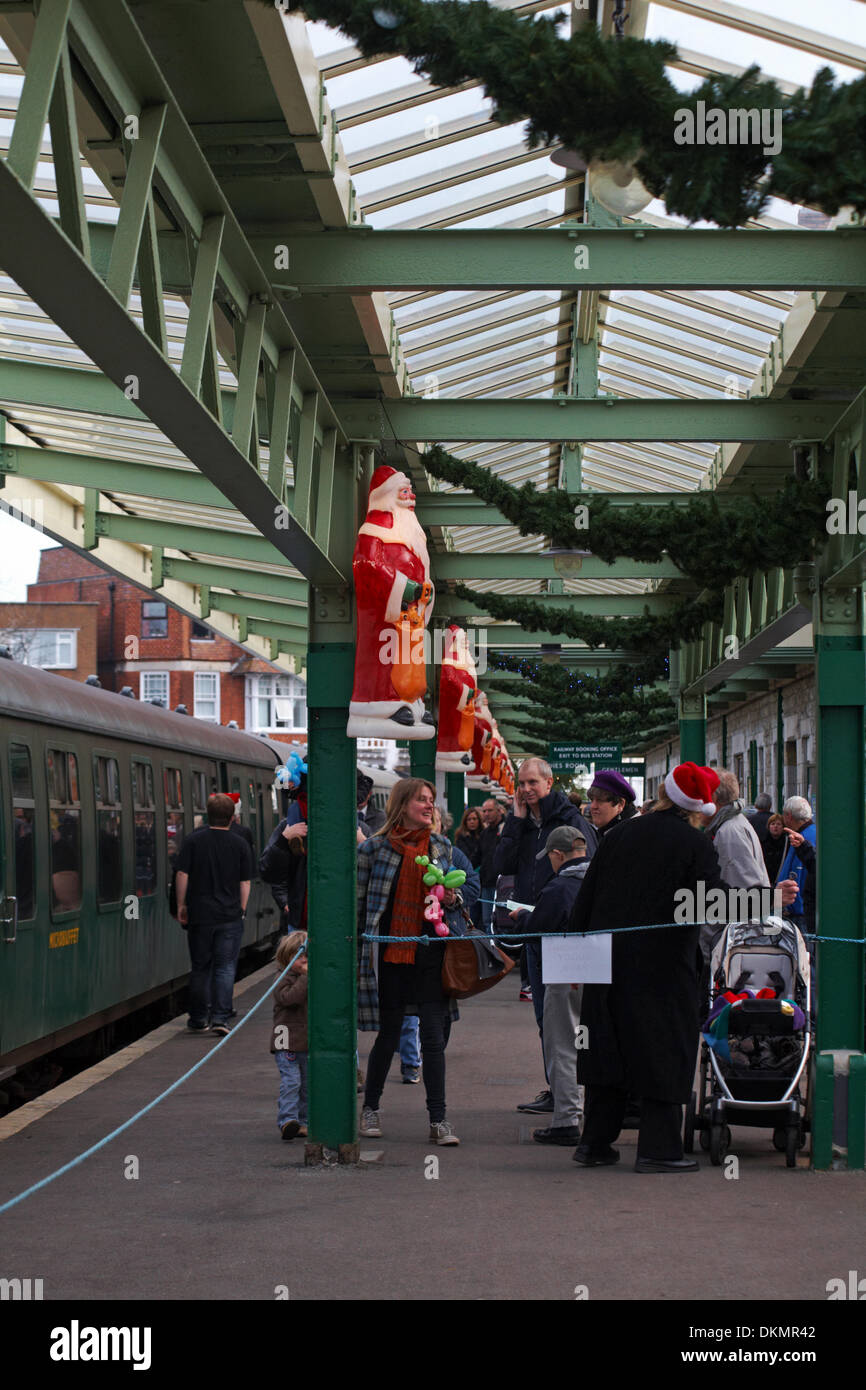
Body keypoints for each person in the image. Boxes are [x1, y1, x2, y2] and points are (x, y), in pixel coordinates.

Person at [570, 762, 726, 1172]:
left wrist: (573, 957)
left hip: (607, 964)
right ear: (698, 808)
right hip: (663, 970)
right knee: (662, 1052)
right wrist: (770, 901)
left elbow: (584, 902)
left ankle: (594, 1145)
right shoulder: (695, 844)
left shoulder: (618, 834)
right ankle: (658, 1149)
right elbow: (713, 904)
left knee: (607, 1051)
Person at [357, 779, 470, 1145]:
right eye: (421, 799)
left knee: (433, 1040)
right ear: (402, 804)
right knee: (388, 1035)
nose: (429, 805)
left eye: (431, 800)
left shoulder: (440, 845)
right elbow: (360, 909)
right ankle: (370, 1109)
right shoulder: (373, 849)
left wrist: (451, 899)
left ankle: (439, 1120)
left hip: (430, 953)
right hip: (390, 955)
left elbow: (449, 900)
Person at [493, 756, 597, 1115]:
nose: (525, 790)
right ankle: (559, 1089)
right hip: (534, 932)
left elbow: (585, 871)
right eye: (521, 784)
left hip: (563, 934)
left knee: (570, 1021)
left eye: (532, 783)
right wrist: (515, 821)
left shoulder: (570, 821)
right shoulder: (521, 822)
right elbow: (501, 865)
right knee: (545, 1017)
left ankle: (576, 1093)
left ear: (549, 783)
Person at [528, 827, 590, 1147]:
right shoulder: (604, 882)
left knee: (564, 1045)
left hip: (566, 973)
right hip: (602, 973)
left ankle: (566, 1119)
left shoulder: (558, 888)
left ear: (557, 855)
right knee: (593, 1046)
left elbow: (537, 930)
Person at [175, 791, 254, 1035]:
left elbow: (182, 875)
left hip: (200, 913)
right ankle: (221, 1017)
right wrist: (241, 909)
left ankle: (199, 1018)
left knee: (200, 966)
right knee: (225, 967)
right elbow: (245, 882)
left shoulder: (192, 841)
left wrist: (181, 905)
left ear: (208, 815)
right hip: (229, 915)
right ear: (232, 817)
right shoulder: (240, 843)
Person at [259, 758, 308, 934]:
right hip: (299, 919)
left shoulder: (355, 829)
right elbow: (268, 871)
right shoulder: (288, 826)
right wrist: (283, 841)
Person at [271, 931, 308, 1141]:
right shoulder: (282, 977)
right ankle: (287, 1120)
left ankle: (304, 1122)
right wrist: (305, 977)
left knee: (307, 1084)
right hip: (285, 1037)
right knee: (291, 1080)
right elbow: (288, 998)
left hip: (304, 1039)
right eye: (299, 955)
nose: (304, 960)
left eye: (307, 955)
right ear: (287, 956)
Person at [775, 796, 817, 933]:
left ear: (788, 816)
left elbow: (798, 874)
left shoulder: (805, 837)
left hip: (800, 912)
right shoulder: (809, 834)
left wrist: (789, 906)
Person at [476, 797, 504, 931]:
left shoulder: (506, 829)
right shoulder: (484, 833)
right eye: (484, 811)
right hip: (486, 883)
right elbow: (477, 856)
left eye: (490, 810)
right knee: (487, 921)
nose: (486, 814)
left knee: (501, 920)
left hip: (503, 883)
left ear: (499, 811)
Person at [585, 769, 638, 839]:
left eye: (600, 800)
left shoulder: (633, 835)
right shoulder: (613, 832)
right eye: (592, 800)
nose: (593, 806)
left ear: (620, 804)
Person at [761, 812, 788, 883]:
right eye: (772, 824)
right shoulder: (763, 842)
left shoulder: (787, 843)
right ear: (769, 826)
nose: (775, 826)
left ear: (783, 827)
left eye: (779, 824)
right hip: (766, 880)